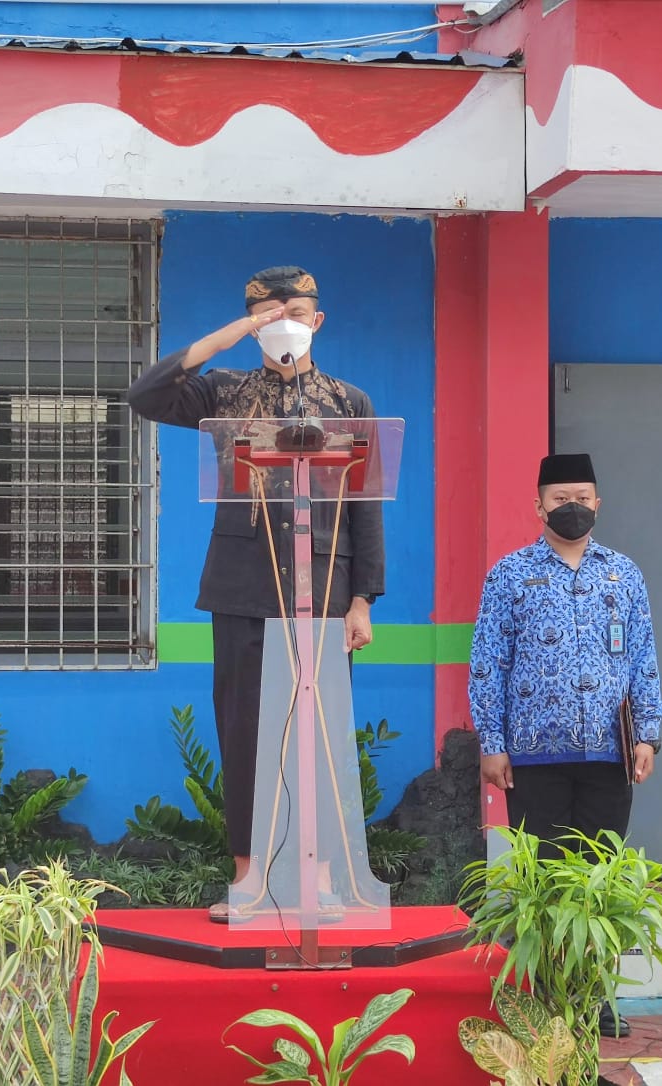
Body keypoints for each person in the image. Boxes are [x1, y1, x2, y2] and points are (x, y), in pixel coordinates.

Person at [127, 265, 384, 921]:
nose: (283, 326)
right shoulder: (224, 391)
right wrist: (230, 335)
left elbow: (365, 507)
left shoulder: (349, 401)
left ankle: (317, 878)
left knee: (318, 735)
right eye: (268, 316)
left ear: (317, 321)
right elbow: (146, 395)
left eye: (294, 314)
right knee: (245, 732)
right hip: (244, 588)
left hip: (324, 590)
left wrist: (363, 600)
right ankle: (249, 877)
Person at [468, 452, 662, 1038]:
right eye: (560, 499)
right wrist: (492, 742)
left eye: (581, 497)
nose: (571, 507)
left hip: (608, 752)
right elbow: (488, 663)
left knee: (601, 878)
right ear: (539, 506)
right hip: (534, 755)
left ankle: (596, 996)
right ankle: (550, 997)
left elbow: (643, 658)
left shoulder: (623, 574)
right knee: (547, 879)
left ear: (598, 503)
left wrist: (649, 733)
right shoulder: (510, 574)